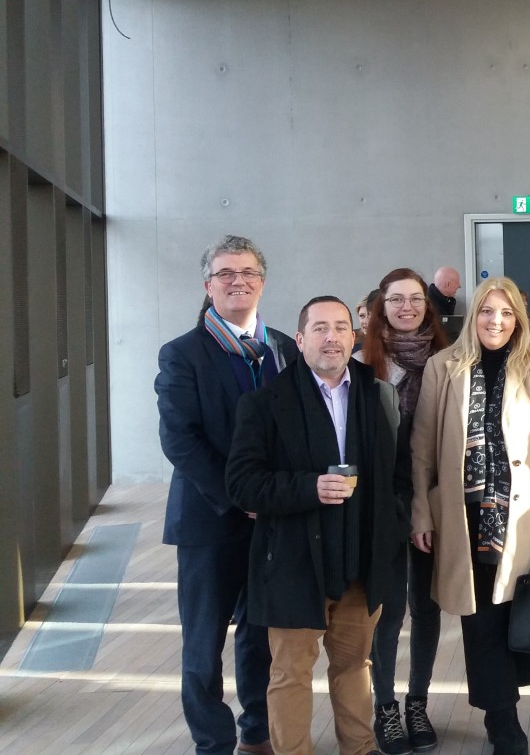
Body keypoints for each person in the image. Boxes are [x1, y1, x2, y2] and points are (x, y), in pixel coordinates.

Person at [225, 296, 408, 755]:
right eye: (321, 328)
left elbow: (398, 478)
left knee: (354, 667)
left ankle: (360, 749)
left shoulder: (378, 394)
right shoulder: (265, 403)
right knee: (290, 675)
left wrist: (392, 533)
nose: (332, 337)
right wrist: (309, 488)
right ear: (301, 340)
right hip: (292, 566)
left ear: (355, 336)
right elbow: (242, 484)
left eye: (342, 328)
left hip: (361, 567)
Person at [409, 276, 530, 755]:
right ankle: (504, 722)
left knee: (513, 615)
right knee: (479, 620)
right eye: (485, 311)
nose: (495, 321)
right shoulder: (444, 366)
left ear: (518, 319)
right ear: (473, 315)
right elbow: (422, 449)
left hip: (524, 517)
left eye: (504, 313)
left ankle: (504, 708)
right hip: (465, 517)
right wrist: (422, 513)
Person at [155, 234, 297, 755]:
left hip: (274, 520)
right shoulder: (182, 353)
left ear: (262, 282)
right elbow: (180, 440)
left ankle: (256, 731)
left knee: (260, 635)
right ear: (208, 286)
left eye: (248, 273)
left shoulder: (284, 346)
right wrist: (240, 496)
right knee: (203, 642)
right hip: (210, 518)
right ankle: (212, 743)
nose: (238, 281)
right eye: (225, 274)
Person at [355, 269, 446, 754]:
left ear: (427, 305)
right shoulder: (363, 365)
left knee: (426, 606)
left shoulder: (447, 360)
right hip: (381, 505)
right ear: (382, 306)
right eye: (396, 299)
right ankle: (385, 708)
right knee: (388, 610)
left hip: (433, 500)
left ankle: (418, 702)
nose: (407, 307)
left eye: (415, 298)